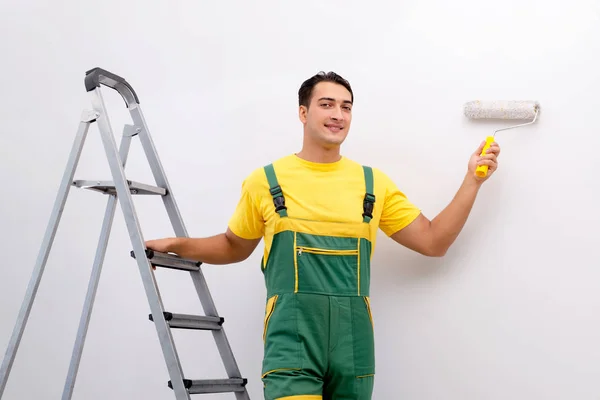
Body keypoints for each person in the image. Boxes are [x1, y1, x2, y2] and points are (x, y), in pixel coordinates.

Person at [144, 71, 500, 400]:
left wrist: (473, 180)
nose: (338, 115)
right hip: (292, 343)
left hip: (354, 347)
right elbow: (232, 245)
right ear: (303, 112)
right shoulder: (267, 181)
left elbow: (433, 241)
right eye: (326, 104)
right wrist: (178, 245)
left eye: (346, 107)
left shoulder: (372, 184)